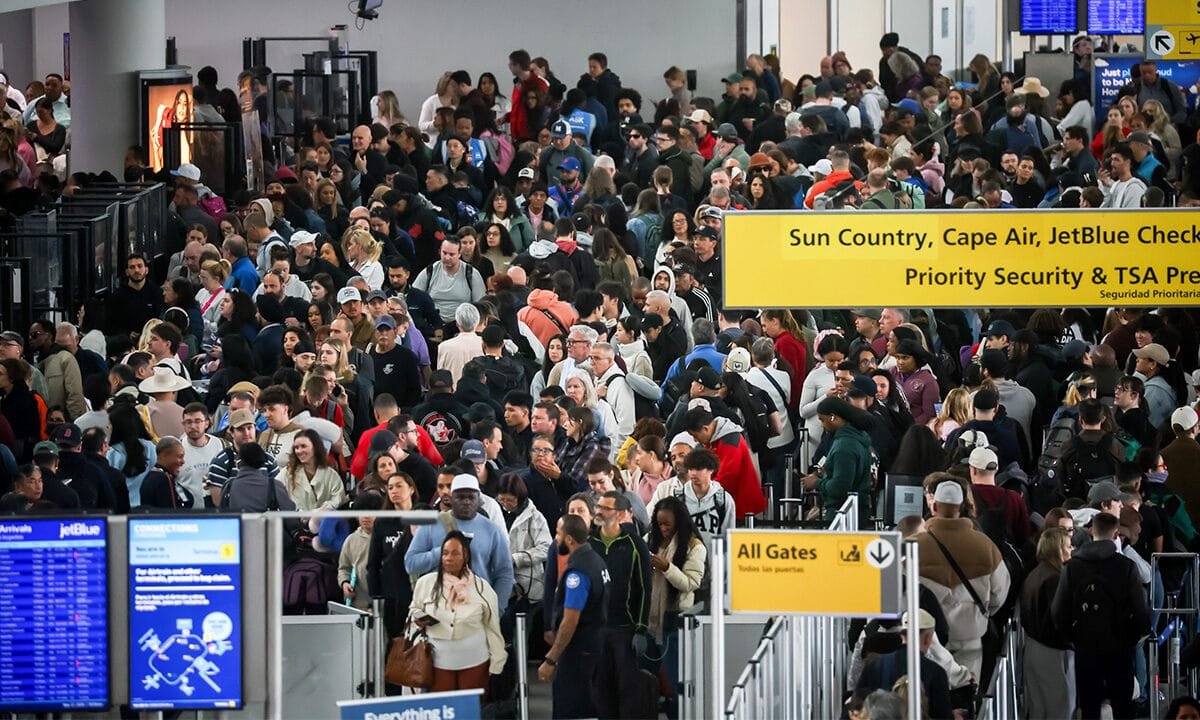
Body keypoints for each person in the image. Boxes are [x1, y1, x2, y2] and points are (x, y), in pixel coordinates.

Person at [1052, 510, 1152, 720]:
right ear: (1116, 535)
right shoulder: (1126, 566)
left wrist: (1074, 637)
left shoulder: (1073, 567)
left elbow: (1058, 610)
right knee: (1123, 708)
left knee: (1090, 709)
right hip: (1120, 647)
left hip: (1086, 647)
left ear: (1091, 532)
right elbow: (1141, 611)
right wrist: (1131, 637)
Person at [915, 475, 1010, 679]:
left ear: (934, 506)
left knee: (928, 691)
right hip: (970, 635)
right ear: (960, 507)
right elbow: (1000, 591)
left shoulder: (913, 546)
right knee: (967, 689)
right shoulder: (985, 546)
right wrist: (981, 612)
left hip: (926, 637)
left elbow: (899, 592)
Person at [408, 530, 508, 691]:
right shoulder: (425, 583)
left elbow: (492, 627)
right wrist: (418, 618)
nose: (449, 558)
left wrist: (497, 661)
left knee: (470, 705)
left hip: (475, 661)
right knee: (443, 705)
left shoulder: (482, 588)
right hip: (437, 661)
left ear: (465, 556)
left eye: (455, 553)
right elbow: (414, 609)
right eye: (445, 553)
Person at [405, 473, 515, 611]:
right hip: (439, 608)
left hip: (477, 608)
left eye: (471, 497)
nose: (466, 502)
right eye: (461, 497)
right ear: (451, 498)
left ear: (478, 499)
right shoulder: (431, 525)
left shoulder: (492, 530)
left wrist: (496, 608)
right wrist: (443, 552)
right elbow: (411, 564)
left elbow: (504, 573)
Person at [538, 514, 610, 719]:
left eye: (558, 533)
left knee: (570, 709)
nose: (555, 538)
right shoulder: (596, 561)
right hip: (595, 647)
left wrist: (551, 659)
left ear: (569, 539)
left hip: (578, 653)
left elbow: (570, 621)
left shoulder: (578, 572)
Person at [589, 490, 653, 720]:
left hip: (625, 628)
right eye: (598, 507)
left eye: (605, 508)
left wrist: (641, 628)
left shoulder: (635, 544)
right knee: (599, 687)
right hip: (596, 629)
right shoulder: (589, 543)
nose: (599, 512)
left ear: (620, 514)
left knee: (628, 688)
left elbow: (644, 588)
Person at [646, 495, 706, 715]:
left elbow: (690, 583)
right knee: (646, 677)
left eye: (667, 524)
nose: (663, 529)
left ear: (678, 522)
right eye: (659, 524)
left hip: (676, 617)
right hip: (650, 617)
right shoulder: (650, 539)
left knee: (675, 678)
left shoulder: (694, 546)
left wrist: (667, 568)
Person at [1020, 526, 1075, 720]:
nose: (1072, 549)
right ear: (1057, 549)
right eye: (1068, 546)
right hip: (1051, 650)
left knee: (1039, 707)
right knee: (1059, 706)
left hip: (1034, 646)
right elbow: (1057, 619)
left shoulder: (1036, 573)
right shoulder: (1054, 578)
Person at [803, 397, 873, 525]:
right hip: (856, 512)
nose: (821, 425)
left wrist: (816, 483)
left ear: (833, 417)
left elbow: (840, 487)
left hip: (842, 516)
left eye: (822, 419)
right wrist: (824, 473)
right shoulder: (856, 438)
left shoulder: (844, 447)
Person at [497, 472, 552, 615]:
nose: (505, 504)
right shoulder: (497, 513)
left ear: (520, 497)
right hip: (504, 581)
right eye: (502, 499)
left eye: (510, 500)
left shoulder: (534, 517)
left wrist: (517, 559)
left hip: (529, 585)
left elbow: (546, 548)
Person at [282, 428, 347, 511]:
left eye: (303, 446)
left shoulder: (331, 475)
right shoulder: (287, 472)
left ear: (315, 447)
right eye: (296, 447)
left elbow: (338, 499)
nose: (299, 451)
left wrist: (320, 511)